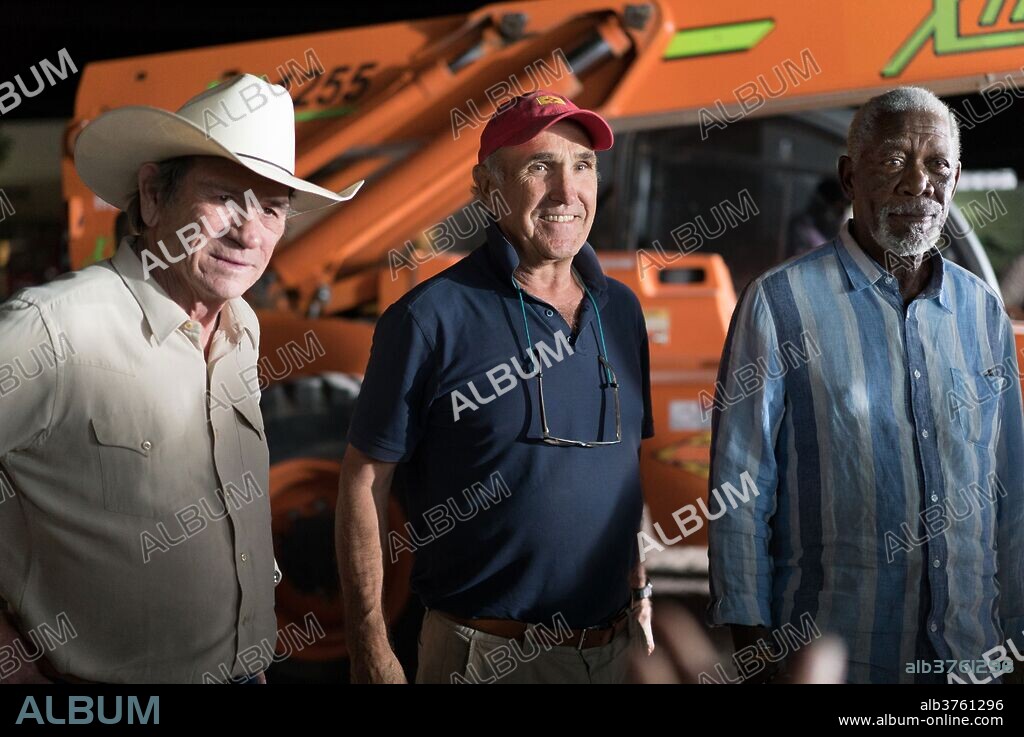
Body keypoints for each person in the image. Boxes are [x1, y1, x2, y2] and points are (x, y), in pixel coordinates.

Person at [0, 74, 361, 684]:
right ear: (151, 196)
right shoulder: (54, 330)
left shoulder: (240, 331)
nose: (249, 234)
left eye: (271, 209)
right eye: (226, 198)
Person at [707, 86, 1024, 684]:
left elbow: (1010, 487)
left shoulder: (982, 311)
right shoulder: (781, 304)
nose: (916, 185)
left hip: (968, 666)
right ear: (850, 177)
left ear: (955, 180)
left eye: (937, 166)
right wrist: (755, 654)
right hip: (838, 662)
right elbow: (741, 490)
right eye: (894, 162)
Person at [336, 90, 655, 684]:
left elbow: (621, 470)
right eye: (540, 167)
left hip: (615, 650)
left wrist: (641, 589)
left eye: (582, 166)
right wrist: (370, 648)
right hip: (487, 658)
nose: (568, 193)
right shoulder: (429, 319)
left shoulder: (623, 313)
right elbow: (363, 481)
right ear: (487, 188)